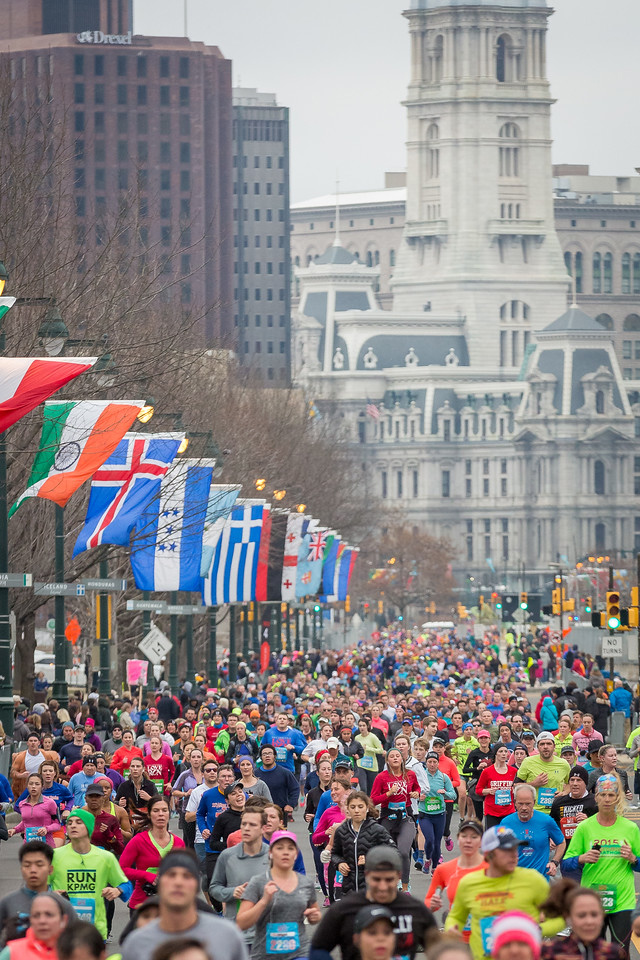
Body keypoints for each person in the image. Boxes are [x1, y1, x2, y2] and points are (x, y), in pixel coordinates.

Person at [445, 825, 563, 960]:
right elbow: (456, 917)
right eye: (507, 850)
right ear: (489, 854)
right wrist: (451, 929)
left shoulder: (533, 880)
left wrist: (536, 929)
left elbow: (559, 918)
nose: (514, 854)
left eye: (515, 849)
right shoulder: (468, 883)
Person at [310, 846, 437, 960]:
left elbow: (438, 949)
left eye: (389, 880)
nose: (382, 886)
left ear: (399, 876)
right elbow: (318, 948)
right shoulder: (344, 909)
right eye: (376, 879)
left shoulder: (416, 910)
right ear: (367, 874)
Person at [562, 772, 640, 957]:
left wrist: (633, 859)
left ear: (617, 798)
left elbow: (639, 864)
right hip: (592, 901)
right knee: (592, 953)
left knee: (620, 953)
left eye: (611, 795)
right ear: (596, 797)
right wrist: (581, 858)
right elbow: (565, 865)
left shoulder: (630, 828)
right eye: (602, 795)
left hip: (623, 901)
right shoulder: (585, 827)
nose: (607, 799)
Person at [120, 851, 248, 960]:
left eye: (187, 876)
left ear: (197, 886)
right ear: (159, 883)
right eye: (171, 875)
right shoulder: (136, 943)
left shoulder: (227, 936)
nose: (178, 882)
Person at [237, 830, 321, 960]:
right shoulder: (258, 882)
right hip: (265, 954)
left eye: (290, 848)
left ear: (296, 854)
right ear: (270, 853)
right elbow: (241, 923)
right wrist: (264, 901)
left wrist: (314, 917)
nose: (285, 852)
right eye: (279, 848)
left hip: (299, 953)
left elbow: (315, 914)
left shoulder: (305, 883)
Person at [50, 809, 132, 940]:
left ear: (89, 827)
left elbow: (127, 885)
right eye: (69, 823)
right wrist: (50, 894)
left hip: (95, 930)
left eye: (78, 822)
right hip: (63, 930)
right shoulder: (54, 856)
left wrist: (118, 890)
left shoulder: (105, 857)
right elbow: (38, 886)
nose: (73, 825)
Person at [0, 841, 75, 946]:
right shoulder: (7, 903)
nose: (33, 870)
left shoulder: (63, 905)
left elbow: (74, 943)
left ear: (50, 869)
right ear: (21, 869)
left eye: (39, 865)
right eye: (27, 865)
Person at [121, 794, 186, 910]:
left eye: (164, 810)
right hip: (142, 904)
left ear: (169, 814)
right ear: (150, 814)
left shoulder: (179, 843)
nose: (160, 814)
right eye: (156, 810)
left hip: (171, 905)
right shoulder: (138, 840)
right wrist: (146, 875)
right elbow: (122, 869)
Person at [209, 807, 269, 932]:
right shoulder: (227, 855)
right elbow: (214, 888)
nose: (246, 828)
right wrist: (232, 892)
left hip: (265, 931)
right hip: (236, 930)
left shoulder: (272, 856)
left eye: (252, 825)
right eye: (244, 824)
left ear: (263, 829)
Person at [371, 747, 420, 891]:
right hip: (388, 817)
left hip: (406, 817)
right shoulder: (381, 777)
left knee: (403, 851)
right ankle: (394, 879)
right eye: (391, 756)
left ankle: (405, 886)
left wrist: (416, 793)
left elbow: (417, 788)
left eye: (397, 756)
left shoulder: (410, 774)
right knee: (388, 853)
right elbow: (372, 800)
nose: (395, 758)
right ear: (387, 760)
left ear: (402, 759)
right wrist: (388, 794)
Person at [542, 878, 625, 960]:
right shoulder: (550, 953)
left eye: (594, 915)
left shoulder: (614, 953)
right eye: (581, 915)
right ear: (567, 917)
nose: (589, 921)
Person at [424, 819, 485, 929]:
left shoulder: (492, 868)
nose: (468, 841)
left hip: (484, 937)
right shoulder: (444, 869)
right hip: (456, 936)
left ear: (481, 841)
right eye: (464, 836)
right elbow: (428, 901)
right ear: (458, 838)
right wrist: (432, 905)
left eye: (474, 837)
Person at [331, 791, 394, 895]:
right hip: (349, 888)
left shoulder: (377, 830)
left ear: (367, 808)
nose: (356, 811)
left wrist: (371, 859)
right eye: (353, 807)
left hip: (373, 888)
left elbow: (394, 853)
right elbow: (335, 853)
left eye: (360, 807)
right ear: (348, 809)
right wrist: (339, 863)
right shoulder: (341, 831)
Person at [500, 783, 566, 877]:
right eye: (520, 803)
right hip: (515, 879)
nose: (524, 808)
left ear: (534, 802)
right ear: (514, 802)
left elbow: (561, 842)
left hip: (540, 879)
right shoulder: (506, 823)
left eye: (528, 804)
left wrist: (554, 862)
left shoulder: (546, 821)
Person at [549, 765, 597, 877]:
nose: (575, 783)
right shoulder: (558, 802)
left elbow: (604, 826)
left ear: (586, 783)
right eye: (572, 780)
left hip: (589, 853)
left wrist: (588, 820)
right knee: (572, 891)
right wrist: (551, 837)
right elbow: (552, 824)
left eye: (579, 780)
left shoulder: (595, 801)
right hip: (567, 854)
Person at [417, 750, 456, 873]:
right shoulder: (421, 776)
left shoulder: (444, 777)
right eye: (429, 762)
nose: (432, 764)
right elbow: (412, 792)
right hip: (425, 814)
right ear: (426, 763)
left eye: (434, 762)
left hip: (439, 814)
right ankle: (428, 859)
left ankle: (434, 867)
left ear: (438, 763)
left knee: (437, 842)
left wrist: (445, 794)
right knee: (430, 839)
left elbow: (453, 795)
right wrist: (418, 796)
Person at [0, 893, 69, 960]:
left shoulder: (75, 952)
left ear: (63, 920)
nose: (42, 921)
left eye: (49, 915)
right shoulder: (12, 952)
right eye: (36, 915)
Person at [515, 731, 570, 812]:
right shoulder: (528, 762)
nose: (545, 747)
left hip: (557, 809)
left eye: (548, 744)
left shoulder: (563, 764)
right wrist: (533, 784)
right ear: (537, 746)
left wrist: (564, 793)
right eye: (542, 744)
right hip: (535, 811)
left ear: (554, 746)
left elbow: (570, 784)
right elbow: (515, 786)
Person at [8, 775, 59, 846]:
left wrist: (46, 829)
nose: (33, 786)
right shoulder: (22, 804)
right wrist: (14, 830)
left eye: (37, 784)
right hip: (28, 846)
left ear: (42, 786)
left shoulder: (50, 803)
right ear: (27, 786)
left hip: (46, 846)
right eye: (31, 784)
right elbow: (25, 822)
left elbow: (57, 825)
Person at [475, 745, 517, 828]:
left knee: (508, 838)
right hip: (492, 811)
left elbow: (518, 788)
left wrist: (515, 790)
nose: (503, 754)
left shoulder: (513, 771)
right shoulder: (487, 771)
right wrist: (489, 791)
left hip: (509, 810)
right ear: (495, 754)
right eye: (500, 752)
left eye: (505, 751)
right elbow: (478, 790)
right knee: (493, 839)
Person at [115, 755, 158, 833]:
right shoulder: (124, 786)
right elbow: (114, 803)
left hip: (147, 822)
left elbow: (159, 803)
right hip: (129, 823)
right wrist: (119, 803)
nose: (135, 769)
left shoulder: (150, 785)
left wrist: (149, 798)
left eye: (138, 766)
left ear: (143, 769)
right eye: (133, 766)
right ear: (129, 769)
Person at [257, 745, 299, 823]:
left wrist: (291, 804)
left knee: (279, 835)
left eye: (270, 753)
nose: (267, 756)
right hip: (260, 813)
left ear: (275, 756)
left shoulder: (285, 773)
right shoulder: (255, 774)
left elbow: (295, 788)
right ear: (261, 757)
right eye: (264, 754)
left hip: (280, 812)